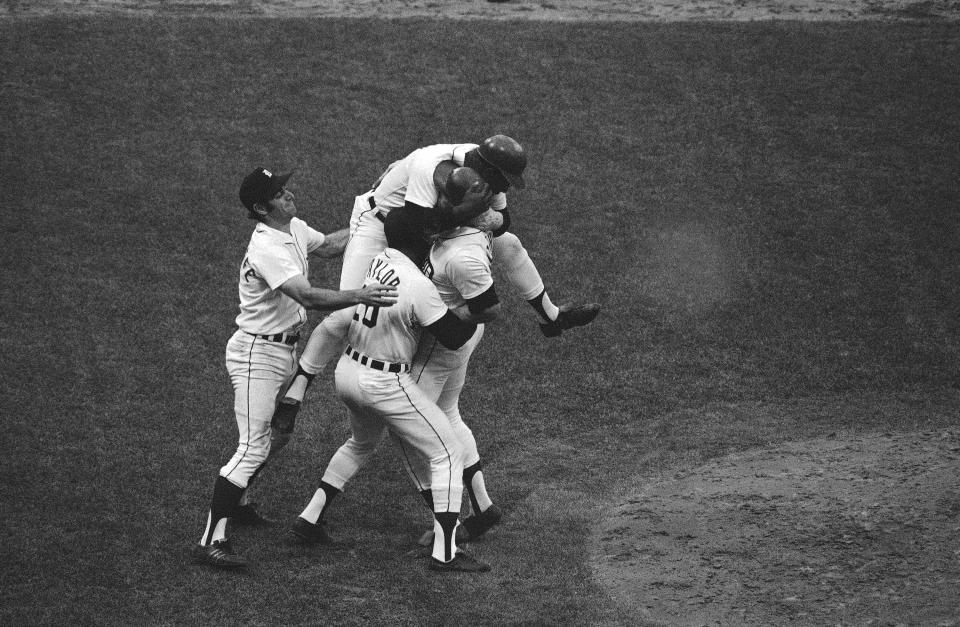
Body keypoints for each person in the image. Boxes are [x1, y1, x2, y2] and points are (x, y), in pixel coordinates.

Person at [274, 135, 600, 455]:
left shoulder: (484, 179)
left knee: (510, 244)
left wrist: (494, 218)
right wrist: (468, 212)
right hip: (380, 222)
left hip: (436, 221)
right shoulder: (432, 166)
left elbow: (503, 221)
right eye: (506, 181)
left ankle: (550, 316)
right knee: (348, 311)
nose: (507, 188)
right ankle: (297, 392)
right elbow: (414, 227)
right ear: (490, 171)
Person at [191, 167, 399, 570]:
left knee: (278, 435)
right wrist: (361, 294)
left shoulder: (294, 228)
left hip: (280, 352)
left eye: (284, 188)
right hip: (257, 355)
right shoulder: (266, 247)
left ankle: (242, 501)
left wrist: (370, 219)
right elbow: (307, 296)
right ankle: (210, 539)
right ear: (260, 208)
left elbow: (334, 245)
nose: (287, 194)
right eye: (277, 193)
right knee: (252, 446)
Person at [288, 206, 491, 573]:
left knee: (360, 443)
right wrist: (474, 311)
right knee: (446, 452)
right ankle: (446, 552)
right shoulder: (419, 286)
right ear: (420, 239)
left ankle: (309, 516)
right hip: (383, 382)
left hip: (347, 372)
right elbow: (453, 337)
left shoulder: (379, 260)